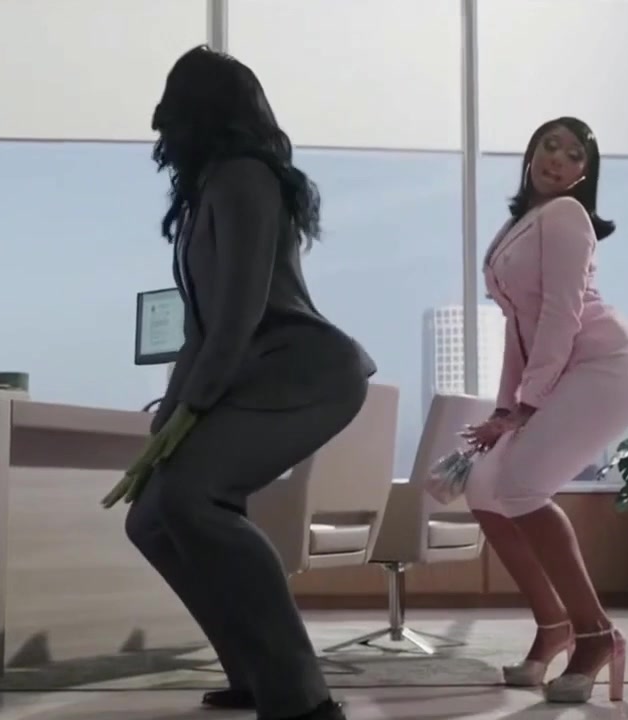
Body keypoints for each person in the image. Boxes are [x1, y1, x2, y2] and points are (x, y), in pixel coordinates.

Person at [123, 45, 376, 720]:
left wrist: (192, 409)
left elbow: (237, 314)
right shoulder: (209, 188)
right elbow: (201, 329)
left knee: (193, 499)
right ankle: (253, 670)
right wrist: (168, 418)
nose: (160, 121)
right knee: (151, 517)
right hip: (256, 372)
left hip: (305, 369)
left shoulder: (245, 177)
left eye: (172, 105)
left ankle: (302, 697)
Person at [461, 117, 628, 705]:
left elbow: (561, 315)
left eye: (575, 155)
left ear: (583, 176)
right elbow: (518, 328)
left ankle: (596, 634)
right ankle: (554, 627)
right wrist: (506, 409)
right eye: (551, 145)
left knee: (521, 485)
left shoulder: (568, 215)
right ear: (532, 153)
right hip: (565, 367)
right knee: (483, 488)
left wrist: (529, 404)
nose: (559, 159)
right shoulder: (518, 224)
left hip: (607, 365)